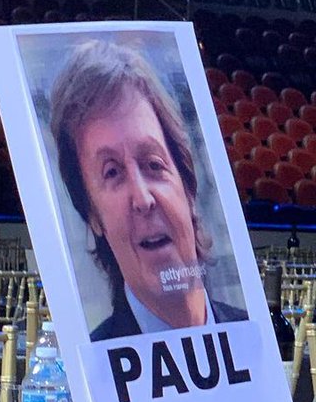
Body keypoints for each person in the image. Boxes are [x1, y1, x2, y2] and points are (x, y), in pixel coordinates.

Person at [49, 39, 246, 341]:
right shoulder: (90, 374)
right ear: (93, 216)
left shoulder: (257, 340)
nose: (143, 199)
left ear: (187, 184)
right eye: (112, 172)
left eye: (153, 164)